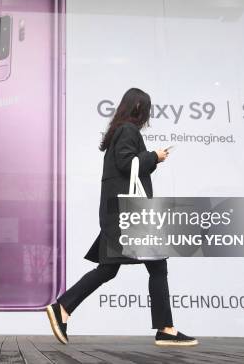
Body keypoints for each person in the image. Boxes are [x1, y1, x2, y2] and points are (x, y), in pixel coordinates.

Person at [46, 88, 198, 346]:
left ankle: (63, 307)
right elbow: (128, 164)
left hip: (120, 213)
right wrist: (155, 157)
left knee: (109, 269)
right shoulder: (128, 131)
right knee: (157, 266)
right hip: (130, 214)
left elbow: (122, 165)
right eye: (147, 110)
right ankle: (165, 329)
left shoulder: (119, 131)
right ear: (140, 108)